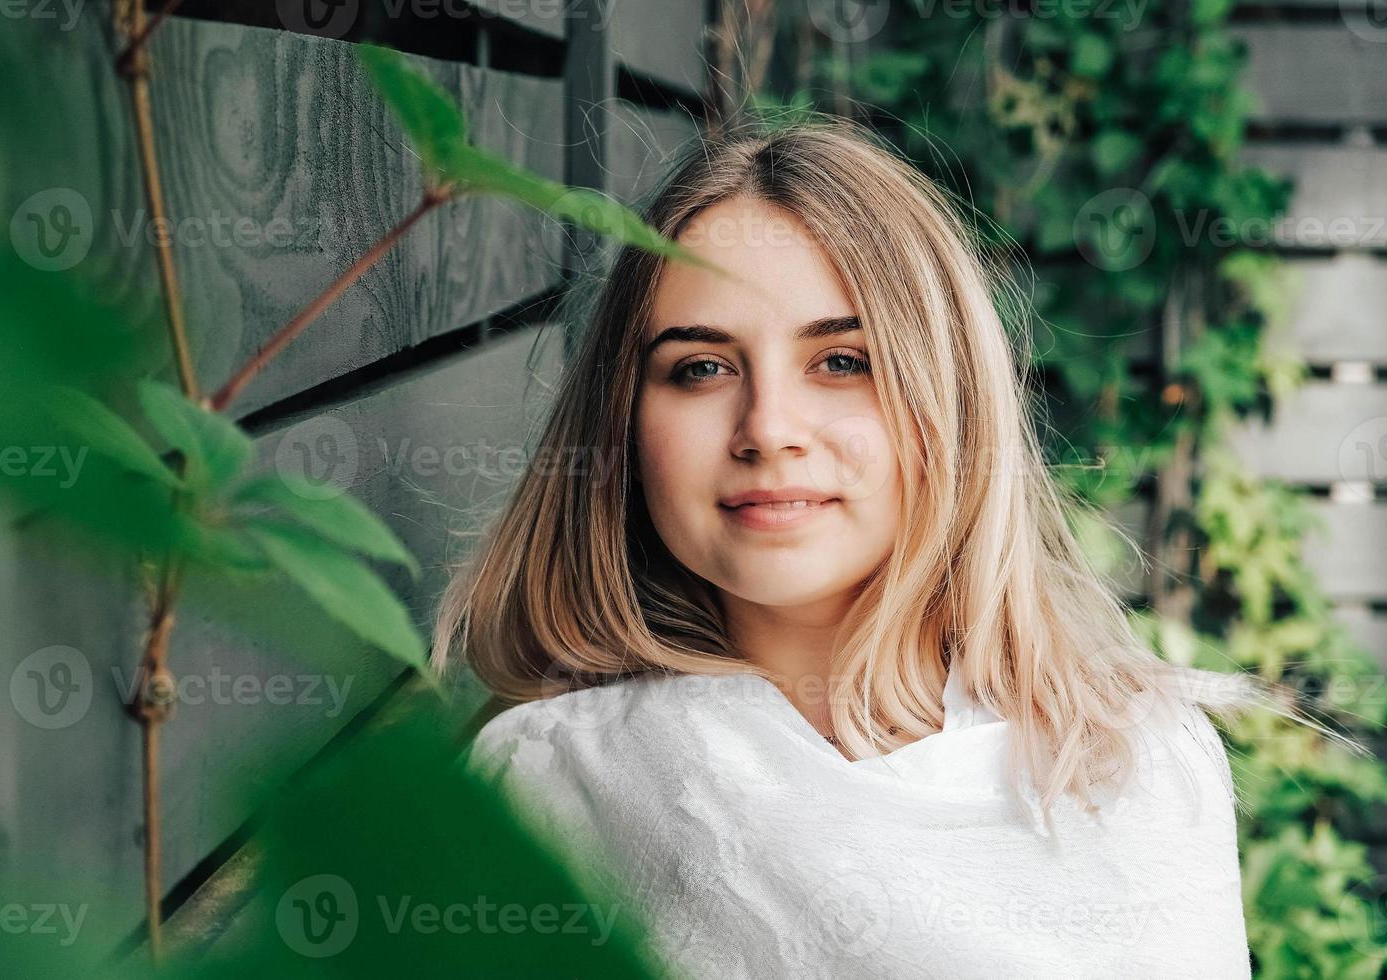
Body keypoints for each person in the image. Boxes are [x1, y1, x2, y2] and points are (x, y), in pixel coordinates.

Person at [428, 117, 1292, 978]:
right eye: (700, 368)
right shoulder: (549, 786)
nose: (768, 429)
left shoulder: (1138, 760)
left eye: (842, 361)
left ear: (949, 400)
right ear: (621, 426)